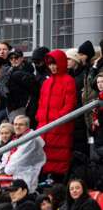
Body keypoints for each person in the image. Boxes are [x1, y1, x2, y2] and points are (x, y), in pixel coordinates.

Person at [37, 49, 77, 183]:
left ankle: (59, 185)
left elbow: (69, 105)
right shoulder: (46, 82)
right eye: (50, 64)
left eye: (54, 64)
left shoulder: (68, 81)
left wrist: (57, 120)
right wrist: (40, 118)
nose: (52, 67)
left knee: (60, 160)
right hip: (44, 127)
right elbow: (41, 104)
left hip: (60, 128)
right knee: (45, 159)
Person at [3, 115, 45, 192]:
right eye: (15, 124)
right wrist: (1, 168)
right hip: (15, 176)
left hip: (26, 177)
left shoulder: (31, 139)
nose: (17, 127)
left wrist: (4, 170)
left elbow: (15, 161)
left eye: (21, 124)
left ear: (27, 126)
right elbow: (5, 156)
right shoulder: (17, 138)